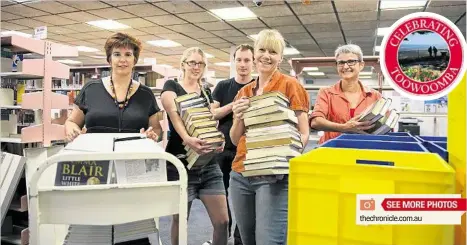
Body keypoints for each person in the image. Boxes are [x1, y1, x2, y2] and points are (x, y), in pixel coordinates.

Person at [229, 29, 310, 245]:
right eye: (262, 50)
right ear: (254, 53)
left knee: (269, 241)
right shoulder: (245, 92)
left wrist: (286, 156)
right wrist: (237, 118)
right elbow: (235, 140)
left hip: (273, 176)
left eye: (273, 52)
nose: (266, 55)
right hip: (241, 173)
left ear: (280, 58)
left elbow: (304, 132)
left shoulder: (290, 85)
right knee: (247, 240)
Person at [160, 47, 229, 245]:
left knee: (222, 221)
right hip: (180, 164)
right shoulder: (171, 86)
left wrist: (217, 139)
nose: (196, 67)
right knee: (180, 220)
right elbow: (175, 115)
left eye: (200, 63)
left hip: (208, 164)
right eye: (192, 62)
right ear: (183, 64)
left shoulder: (207, 91)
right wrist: (187, 139)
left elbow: (209, 122)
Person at [65, 32, 160, 141]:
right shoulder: (90, 89)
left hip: (133, 154)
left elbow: (156, 128)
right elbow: (71, 122)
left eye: (128, 54)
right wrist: (72, 129)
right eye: (117, 54)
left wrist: (151, 135)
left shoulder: (146, 94)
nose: (122, 60)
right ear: (109, 60)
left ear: (134, 60)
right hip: (96, 154)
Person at [211, 44, 255, 245]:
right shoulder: (222, 86)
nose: (243, 64)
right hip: (222, 149)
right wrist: (236, 104)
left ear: (253, 62)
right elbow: (213, 113)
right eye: (239, 60)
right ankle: (224, 233)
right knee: (222, 194)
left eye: (247, 60)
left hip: (247, 151)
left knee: (245, 197)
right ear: (234, 61)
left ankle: (239, 238)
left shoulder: (258, 86)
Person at [309, 44, 382, 144]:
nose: (345, 66)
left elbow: (381, 126)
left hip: (363, 149)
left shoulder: (374, 96)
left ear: (361, 65)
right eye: (341, 62)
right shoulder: (326, 93)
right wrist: (344, 128)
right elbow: (315, 122)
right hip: (332, 149)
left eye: (351, 61)